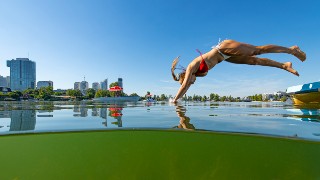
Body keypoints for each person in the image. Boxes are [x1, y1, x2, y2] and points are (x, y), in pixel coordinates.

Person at [171, 39, 306, 103]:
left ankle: (291, 50)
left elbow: (184, 86)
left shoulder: (191, 67)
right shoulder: (197, 74)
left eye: (189, 82)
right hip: (225, 58)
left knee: (257, 50)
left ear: (185, 76)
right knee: (255, 61)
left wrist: (174, 100)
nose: (191, 83)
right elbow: (185, 86)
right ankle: (284, 65)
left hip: (223, 48)